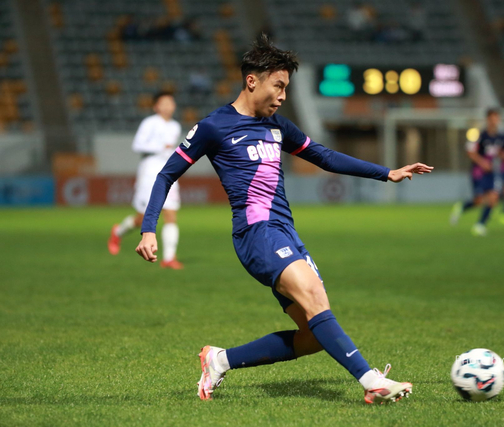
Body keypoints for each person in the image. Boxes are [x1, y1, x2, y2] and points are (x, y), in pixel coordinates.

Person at [135, 34, 433, 404]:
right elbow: (166, 175)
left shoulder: (278, 126)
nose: (283, 96)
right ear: (252, 81)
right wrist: (149, 229)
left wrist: (386, 173)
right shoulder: (215, 126)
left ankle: (219, 360)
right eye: (278, 85)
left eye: (286, 88)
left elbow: (323, 156)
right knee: (315, 297)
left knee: (312, 336)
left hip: (286, 233)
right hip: (255, 233)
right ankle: (372, 381)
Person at [108, 92, 184, 269]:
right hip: (149, 173)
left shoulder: (175, 126)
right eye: (164, 103)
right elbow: (137, 145)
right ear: (156, 106)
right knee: (142, 219)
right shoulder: (149, 123)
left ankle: (169, 258)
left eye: (171, 103)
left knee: (171, 213)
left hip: (169, 173)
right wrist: (160, 147)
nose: (168, 106)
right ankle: (118, 232)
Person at [449, 109, 502, 236]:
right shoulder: (480, 135)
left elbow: (499, 152)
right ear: (487, 119)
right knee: (479, 200)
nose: (494, 121)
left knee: (493, 198)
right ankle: (462, 207)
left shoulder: (499, 138)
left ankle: (480, 225)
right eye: (492, 118)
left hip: (490, 172)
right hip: (478, 172)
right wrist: (483, 162)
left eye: (496, 118)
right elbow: (470, 152)